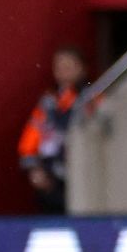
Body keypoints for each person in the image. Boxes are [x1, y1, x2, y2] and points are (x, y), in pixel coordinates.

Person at [17, 45, 88, 214]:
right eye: (59, 68)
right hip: (52, 178)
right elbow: (30, 138)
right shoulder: (49, 102)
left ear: (82, 68)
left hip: (83, 173)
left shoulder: (92, 98)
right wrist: (34, 168)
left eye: (69, 67)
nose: (63, 73)